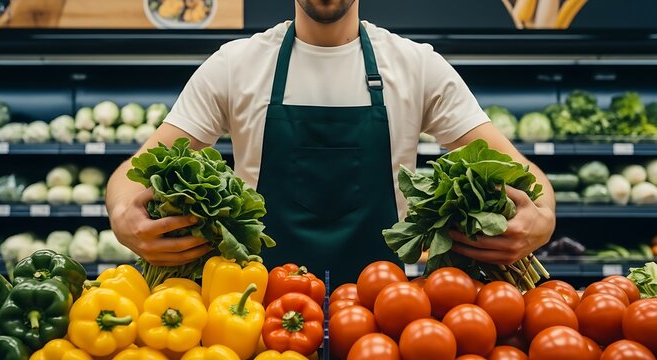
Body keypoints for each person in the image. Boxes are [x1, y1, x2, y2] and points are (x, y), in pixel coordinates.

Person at [106, 0, 556, 285]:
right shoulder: (235, 65)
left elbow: (521, 172)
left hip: (385, 318)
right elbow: (135, 172)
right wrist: (123, 214)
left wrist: (544, 220)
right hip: (263, 318)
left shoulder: (417, 66)